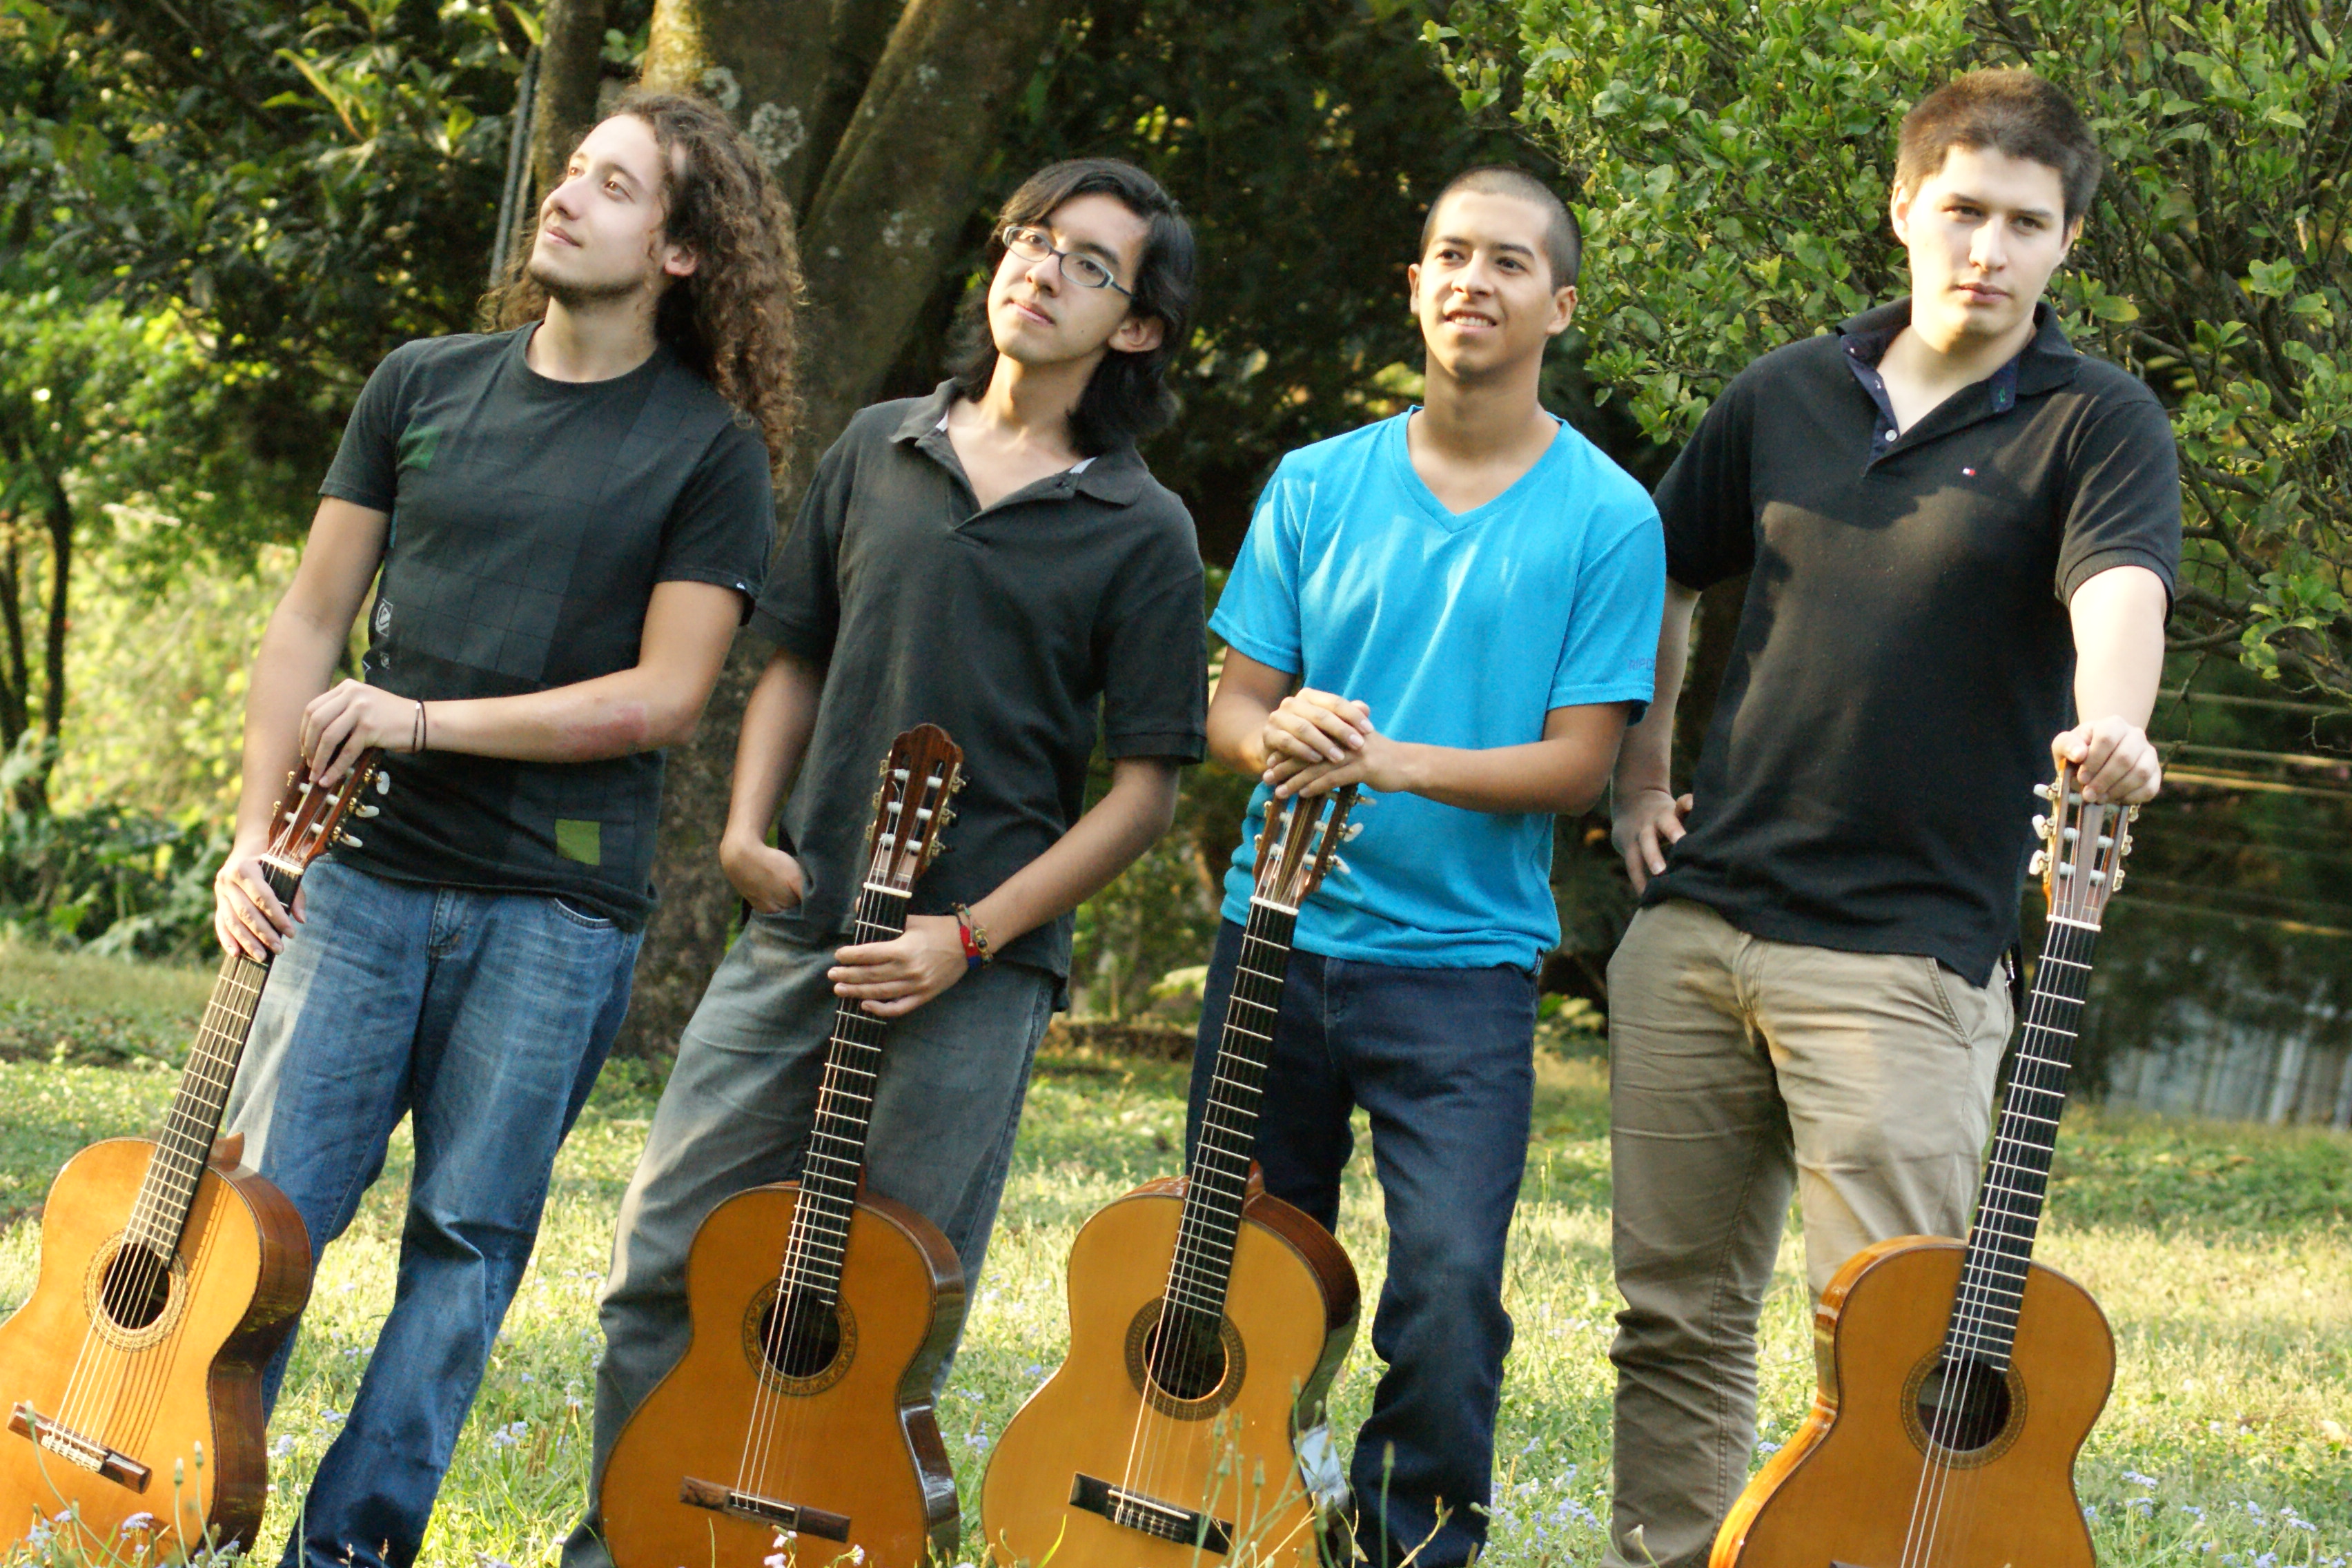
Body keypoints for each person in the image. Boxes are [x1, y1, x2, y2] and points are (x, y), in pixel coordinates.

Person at [560, 157, 1206, 1568]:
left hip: (973, 974)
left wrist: (966, 938)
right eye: (1031, 237)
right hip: (801, 928)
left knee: (893, 1300)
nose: (1040, 269)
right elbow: (794, 655)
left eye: (1089, 263)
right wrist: (747, 828)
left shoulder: (1144, 526)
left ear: (1139, 326)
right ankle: (622, 1543)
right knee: (664, 1253)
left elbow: (1143, 793)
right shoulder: (878, 447)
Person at [210, 90, 797, 1568]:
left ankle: (352, 1548)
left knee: (465, 1245)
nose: (567, 195)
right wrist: (258, 832)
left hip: (555, 906)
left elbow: (664, 696)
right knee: (261, 1220)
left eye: (616, 186)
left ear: (680, 251)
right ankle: (185, 1505)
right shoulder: (421, 383)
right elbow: (309, 620)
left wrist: (419, 721)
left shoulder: (710, 450)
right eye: (573, 170)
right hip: (353, 884)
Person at [1601, 68, 2179, 1568]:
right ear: (1905, 207)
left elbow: (2121, 586)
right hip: (1699, 928)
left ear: (2067, 243)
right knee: (1671, 1318)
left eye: (2028, 223)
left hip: (1904, 963)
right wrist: (1640, 775)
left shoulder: (2097, 422)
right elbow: (1662, 571)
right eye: (1965, 209)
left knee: (1894, 1355)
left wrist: (2114, 722)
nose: (1990, 247)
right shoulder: (1786, 390)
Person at [1190, 166, 1665, 1568]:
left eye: (1510, 262)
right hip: (1274, 936)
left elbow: (1577, 765)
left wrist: (1384, 760)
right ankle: (1229, 1509)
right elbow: (1232, 710)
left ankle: (1409, 1542)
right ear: (1414, 286)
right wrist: (1274, 730)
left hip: (1461, 968)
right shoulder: (1314, 482)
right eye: (1452, 255)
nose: (1474, 281)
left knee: (1450, 1284)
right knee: (1236, 1264)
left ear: (1559, 305)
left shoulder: (1610, 518)